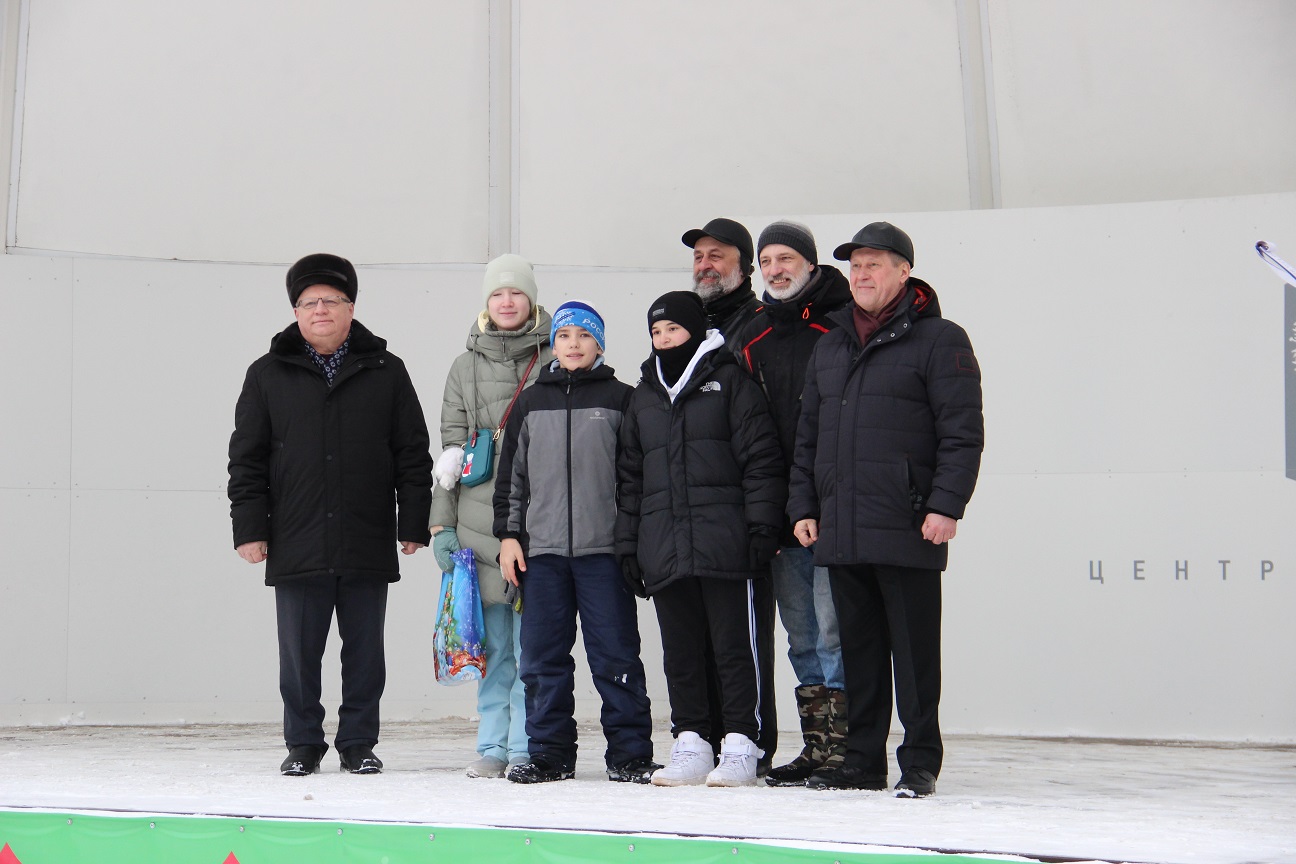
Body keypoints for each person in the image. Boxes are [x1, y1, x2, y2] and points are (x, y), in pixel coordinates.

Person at [788, 223, 984, 798]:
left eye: (874, 264)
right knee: (860, 652)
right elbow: (808, 436)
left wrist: (946, 505)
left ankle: (919, 762)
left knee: (915, 656)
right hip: (843, 525)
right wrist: (804, 505)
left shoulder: (940, 339)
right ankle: (862, 761)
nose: (862, 275)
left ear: (904, 272)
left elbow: (962, 433)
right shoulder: (831, 343)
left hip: (909, 523)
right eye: (855, 266)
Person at [228, 253, 433, 777]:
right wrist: (249, 529)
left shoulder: (386, 370)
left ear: (351, 308)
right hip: (295, 535)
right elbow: (246, 459)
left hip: (365, 532)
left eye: (331, 300)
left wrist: (413, 522)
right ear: (296, 312)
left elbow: (412, 452)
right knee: (299, 654)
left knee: (365, 652)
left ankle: (358, 743)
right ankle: (302, 744)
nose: (320, 309)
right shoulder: (267, 373)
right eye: (309, 302)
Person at [616, 291, 785, 787]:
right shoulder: (644, 396)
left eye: (673, 329)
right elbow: (630, 478)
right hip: (664, 544)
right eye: (656, 332)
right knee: (681, 652)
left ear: (694, 329)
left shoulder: (730, 382)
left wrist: (762, 526)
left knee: (735, 649)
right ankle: (691, 742)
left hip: (725, 543)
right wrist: (629, 545)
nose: (665, 339)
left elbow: (760, 459)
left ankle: (742, 743)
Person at [492, 301, 659, 784]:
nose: (573, 344)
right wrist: (509, 536)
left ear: (599, 345)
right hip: (542, 555)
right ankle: (549, 753)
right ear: (554, 344)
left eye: (584, 336)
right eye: (564, 335)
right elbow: (511, 479)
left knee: (616, 656)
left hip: (603, 554)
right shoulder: (530, 403)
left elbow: (635, 480)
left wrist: (629, 541)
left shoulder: (622, 399)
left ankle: (630, 754)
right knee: (542, 659)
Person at [733, 221, 853, 786]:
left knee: (834, 629)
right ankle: (817, 746)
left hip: (831, 506)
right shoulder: (752, 334)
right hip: (779, 510)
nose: (775, 270)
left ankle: (847, 748)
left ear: (809, 262)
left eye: (786, 258)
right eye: (766, 261)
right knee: (801, 633)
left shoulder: (841, 323)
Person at [429, 253, 553, 778]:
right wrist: (441, 524)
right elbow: (450, 454)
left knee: (535, 647)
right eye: (497, 293)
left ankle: (527, 744)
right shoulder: (464, 367)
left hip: (540, 519)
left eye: (516, 292)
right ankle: (491, 746)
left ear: (531, 299)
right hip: (478, 523)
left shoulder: (555, 355)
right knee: (495, 645)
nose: (506, 301)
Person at [682, 217, 779, 771]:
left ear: (743, 264)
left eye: (716, 255)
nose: (705, 265)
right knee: (701, 637)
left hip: (745, 508)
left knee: (747, 637)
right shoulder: (689, 325)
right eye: (699, 256)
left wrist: (767, 512)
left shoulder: (759, 325)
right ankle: (712, 742)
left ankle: (751, 743)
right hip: (696, 511)